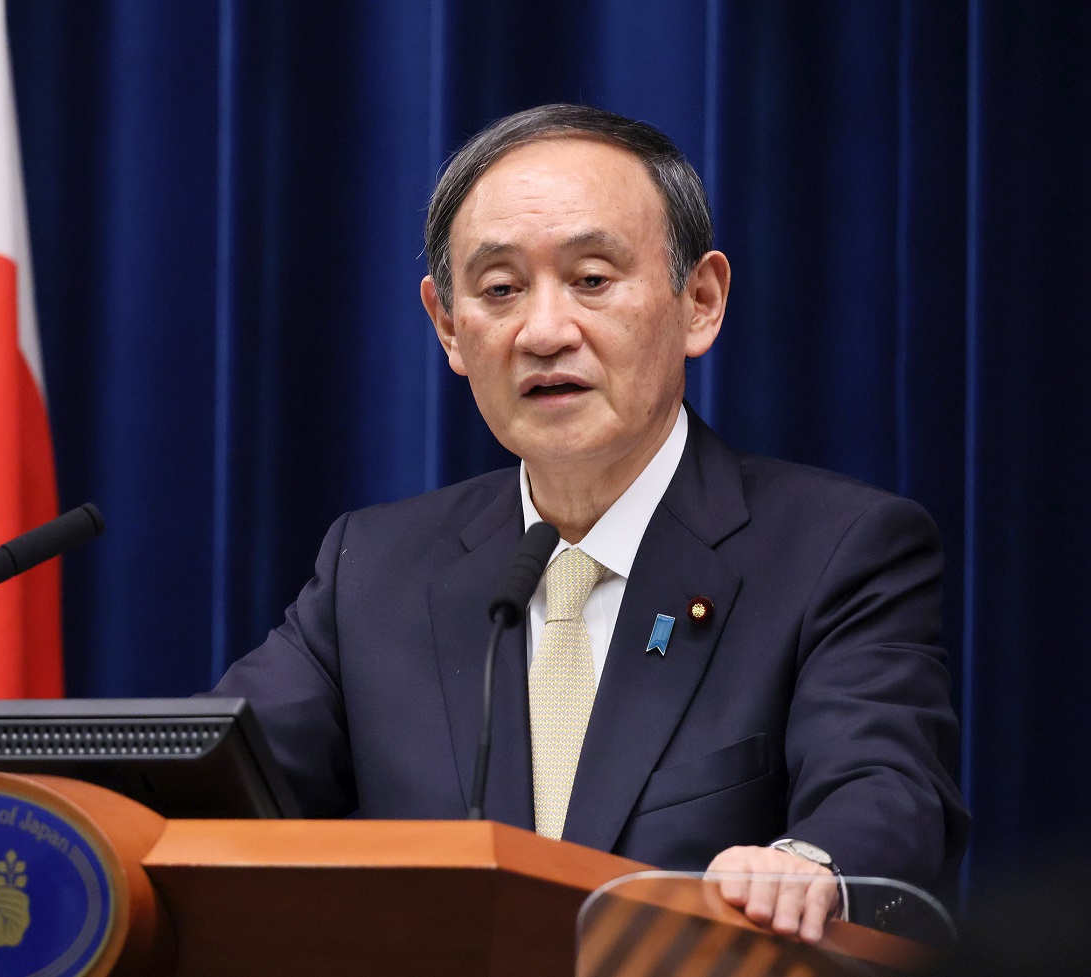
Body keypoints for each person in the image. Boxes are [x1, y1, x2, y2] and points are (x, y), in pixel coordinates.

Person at [210, 103, 968, 944]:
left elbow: (889, 791)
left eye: (593, 279)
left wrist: (811, 863)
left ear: (700, 301)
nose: (544, 332)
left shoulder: (837, 551)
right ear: (449, 326)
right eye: (500, 290)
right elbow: (206, 781)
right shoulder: (375, 569)